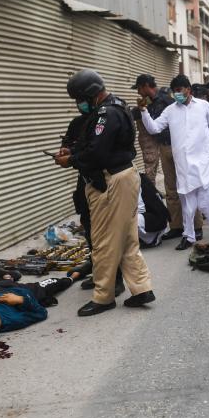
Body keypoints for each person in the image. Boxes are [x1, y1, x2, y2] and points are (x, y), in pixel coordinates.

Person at [54, 69, 156, 316]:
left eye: (79, 98)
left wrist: (71, 160)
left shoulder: (105, 113)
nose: (79, 104)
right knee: (128, 238)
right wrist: (75, 153)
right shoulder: (117, 105)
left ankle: (104, 297)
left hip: (111, 180)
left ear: (89, 94)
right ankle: (141, 288)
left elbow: (97, 153)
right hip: (124, 177)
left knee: (103, 242)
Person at [141, 75, 209, 250]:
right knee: (187, 203)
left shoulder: (204, 106)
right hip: (184, 164)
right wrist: (143, 112)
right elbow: (154, 128)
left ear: (188, 89)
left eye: (179, 90)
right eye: (174, 92)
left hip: (205, 160)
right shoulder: (170, 110)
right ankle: (188, 236)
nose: (176, 94)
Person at [134, 74, 183, 239]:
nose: (140, 93)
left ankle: (193, 227)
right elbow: (152, 126)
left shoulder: (167, 100)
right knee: (170, 189)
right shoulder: (149, 102)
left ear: (146, 86)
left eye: (140, 89)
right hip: (163, 147)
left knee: (185, 187)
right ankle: (176, 226)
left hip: (177, 147)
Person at [130, 75, 161, 183]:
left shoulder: (164, 99)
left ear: (146, 86)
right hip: (151, 142)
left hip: (166, 143)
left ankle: (151, 194)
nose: (138, 92)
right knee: (151, 170)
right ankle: (152, 193)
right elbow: (134, 113)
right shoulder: (148, 100)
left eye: (139, 88)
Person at [137, 173, 170, 248]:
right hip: (155, 218)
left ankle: (152, 239)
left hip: (156, 221)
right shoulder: (138, 178)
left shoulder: (137, 181)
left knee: (129, 219)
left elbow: (140, 209)